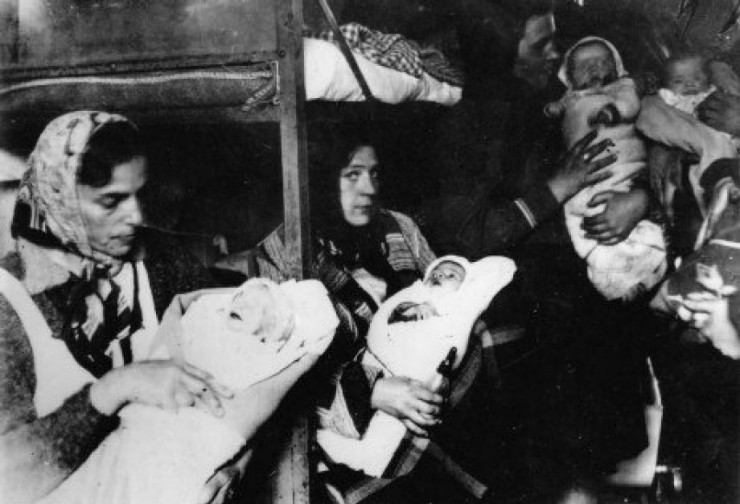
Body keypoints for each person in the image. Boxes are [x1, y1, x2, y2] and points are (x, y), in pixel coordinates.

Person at [428, 3, 657, 503]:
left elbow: (635, 145)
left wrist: (641, 198)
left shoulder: (550, 105)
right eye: (541, 45)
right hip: (519, 295)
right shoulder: (468, 123)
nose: (555, 54)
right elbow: (468, 237)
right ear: (501, 54)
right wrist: (556, 188)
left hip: (580, 281)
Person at [0, 111, 289, 504]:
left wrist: (235, 467)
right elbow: (10, 480)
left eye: (139, 194)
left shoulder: (160, 261)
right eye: (111, 201)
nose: (135, 217)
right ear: (60, 200)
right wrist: (114, 389)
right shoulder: (9, 305)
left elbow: (249, 369)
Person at [36, 276, 338, 504]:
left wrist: (239, 465)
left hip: (171, 452)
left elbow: (188, 301)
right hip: (132, 449)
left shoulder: (166, 267)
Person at [316, 255, 515, 479]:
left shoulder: (404, 242)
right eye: (436, 274)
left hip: (419, 383)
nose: (440, 276)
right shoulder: (414, 296)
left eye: (450, 275)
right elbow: (392, 313)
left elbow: (493, 270)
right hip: (359, 376)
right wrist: (372, 389)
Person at [545, 36, 666, 300]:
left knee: (618, 209)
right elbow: (555, 111)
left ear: (617, 66)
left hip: (624, 167)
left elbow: (630, 103)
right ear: (568, 77)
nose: (594, 67)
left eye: (602, 61)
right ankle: (607, 269)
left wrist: (616, 110)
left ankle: (642, 259)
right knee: (584, 213)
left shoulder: (621, 88)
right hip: (581, 176)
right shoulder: (570, 98)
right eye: (583, 65)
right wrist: (551, 110)